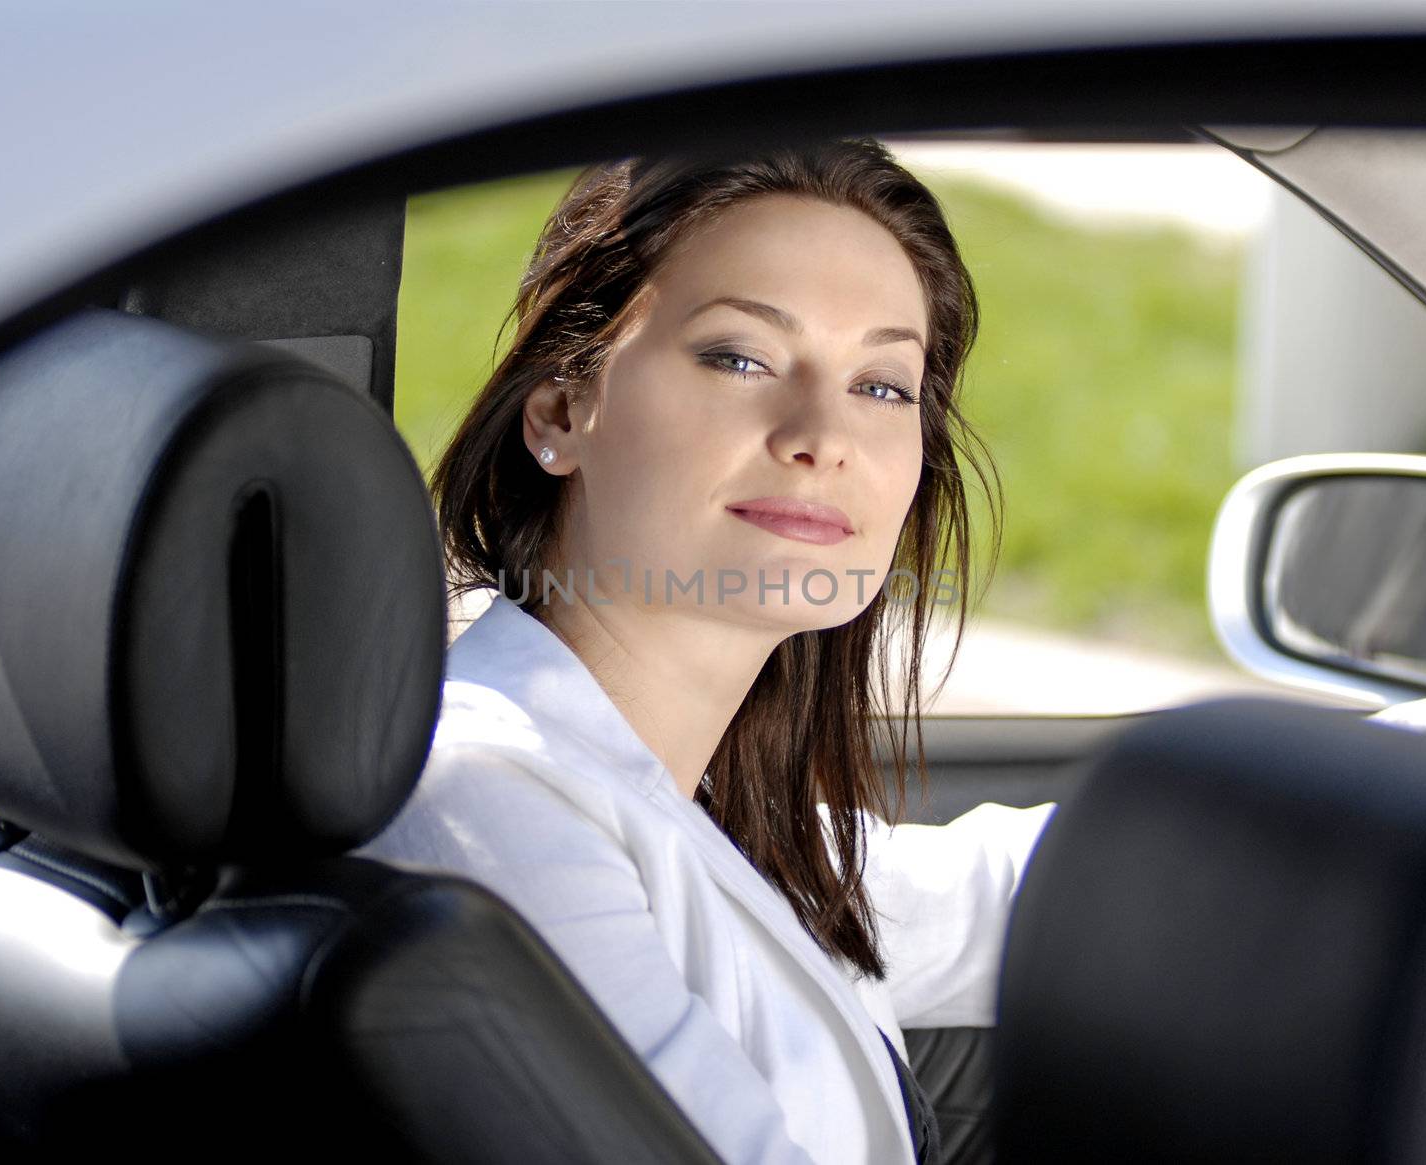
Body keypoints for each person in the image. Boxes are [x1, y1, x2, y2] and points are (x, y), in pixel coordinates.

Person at [356, 136, 1056, 1164]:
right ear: (559, 411)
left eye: (882, 384)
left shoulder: (701, 809)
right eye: (739, 357)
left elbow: (1029, 893)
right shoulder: (491, 802)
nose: (823, 434)